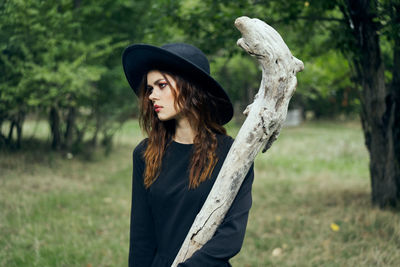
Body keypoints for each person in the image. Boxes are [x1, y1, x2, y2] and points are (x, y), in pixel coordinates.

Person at [122, 43, 254, 267]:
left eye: (161, 85)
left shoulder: (232, 155)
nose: (151, 96)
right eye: (150, 89)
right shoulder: (145, 154)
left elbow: (231, 235)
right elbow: (141, 237)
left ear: (190, 86)